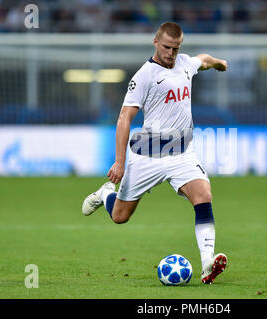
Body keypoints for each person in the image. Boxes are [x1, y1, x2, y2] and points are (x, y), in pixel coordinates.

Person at [82, 22, 228, 284]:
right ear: (155, 42)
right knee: (120, 217)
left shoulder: (184, 63)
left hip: (182, 152)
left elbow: (202, 60)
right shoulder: (144, 75)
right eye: (167, 47)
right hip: (148, 154)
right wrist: (119, 162)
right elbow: (125, 118)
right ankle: (106, 194)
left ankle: (207, 263)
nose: (171, 53)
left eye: (176, 48)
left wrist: (217, 62)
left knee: (204, 194)